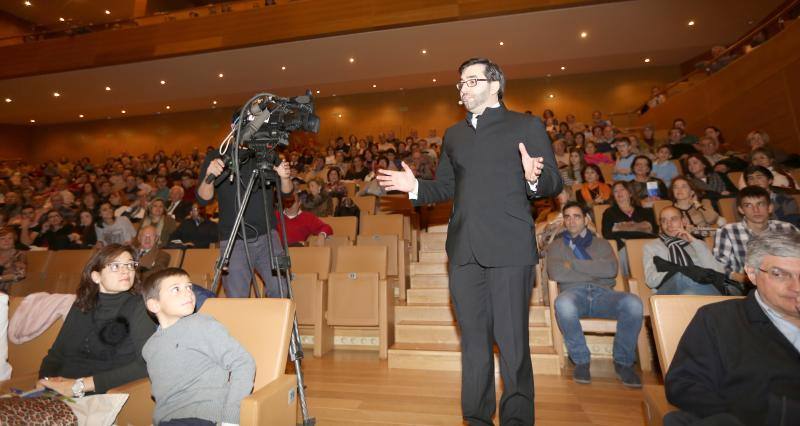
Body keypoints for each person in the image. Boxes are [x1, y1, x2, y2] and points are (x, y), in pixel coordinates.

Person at [377, 57, 562, 425]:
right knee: (474, 345)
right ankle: (475, 419)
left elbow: (553, 183)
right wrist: (414, 187)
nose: (463, 89)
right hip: (463, 250)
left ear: (495, 86)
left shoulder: (525, 125)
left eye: (471, 81)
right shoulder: (454, 135)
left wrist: (533, 178)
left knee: (512, 345)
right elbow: (446, 187)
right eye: (460, 84)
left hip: (510, 247)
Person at [664, 231, 800, 426]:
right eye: (779, 274)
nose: (796, 287)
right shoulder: (718, 320)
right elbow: (685, 384)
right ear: (751, 273)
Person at [38, 244, 157, 397]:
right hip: (59, 390)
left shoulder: (140, 307)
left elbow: (144, 365)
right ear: (96, 276)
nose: (126, 270)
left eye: (129, 265)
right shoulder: (82, 305)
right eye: (115, 266)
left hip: (99, 393)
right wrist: (45, 381)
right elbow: (56, 354)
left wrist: (79, 386)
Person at [545, 202, 643, 387]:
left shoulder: (601, 243)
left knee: (634, 303)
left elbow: (611, 269)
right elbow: (556, 273)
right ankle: (582, 360)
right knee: (563, 304)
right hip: (573, 294)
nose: (571, 220)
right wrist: (594, 268)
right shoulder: (557, 246)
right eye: (567, 216)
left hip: (603, 294)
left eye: (577, 216)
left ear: (586, 219)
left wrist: (572, 264)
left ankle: (623, 363)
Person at [141, 268, 256, 426]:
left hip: (201, 416)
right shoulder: (149, 347)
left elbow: (243, 362)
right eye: (176, 289)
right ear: (154, 305)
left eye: (189, 287)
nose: (188, 293)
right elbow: (161, 394)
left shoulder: (202, 324)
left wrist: (231, 417)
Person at [197, 139, 294, 298]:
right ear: (234, 127)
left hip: (267, 237)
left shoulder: (267, 154)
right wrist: (209, 176)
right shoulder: (218, 156)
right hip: (234, 240)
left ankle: (276, 323)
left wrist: (284, 178)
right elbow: (203, 198)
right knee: (237, 297)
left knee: (281, 290)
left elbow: (287, 192)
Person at [714, 186, 798, 284]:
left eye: (760, 204)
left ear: (770, 207)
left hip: (788, 282)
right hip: (746, 286)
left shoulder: (787, 229)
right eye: (748, 205)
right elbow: (718, 265)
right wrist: (744, 279)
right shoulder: (728, 231)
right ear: (741, 210)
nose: (756, 210)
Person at [643, 206, 724, 295]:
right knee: (682, 277)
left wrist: (694, 242)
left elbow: (716, 271)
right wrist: (681, 273)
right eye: (664, 220)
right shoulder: (651, 247)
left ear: (683, 221)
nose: (668, 224)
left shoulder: (696, 244)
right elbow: (650, 280)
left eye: (673, 219)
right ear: (661, 225)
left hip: (696, 290)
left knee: (689, 292)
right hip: (667, 291)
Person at [0, 227, 26, 292]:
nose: (6, 241)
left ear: (14, 240)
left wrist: (1, 278)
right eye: (2, 239)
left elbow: (20, 275)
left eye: (10, 238)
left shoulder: (18, 255)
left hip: (7, 289)